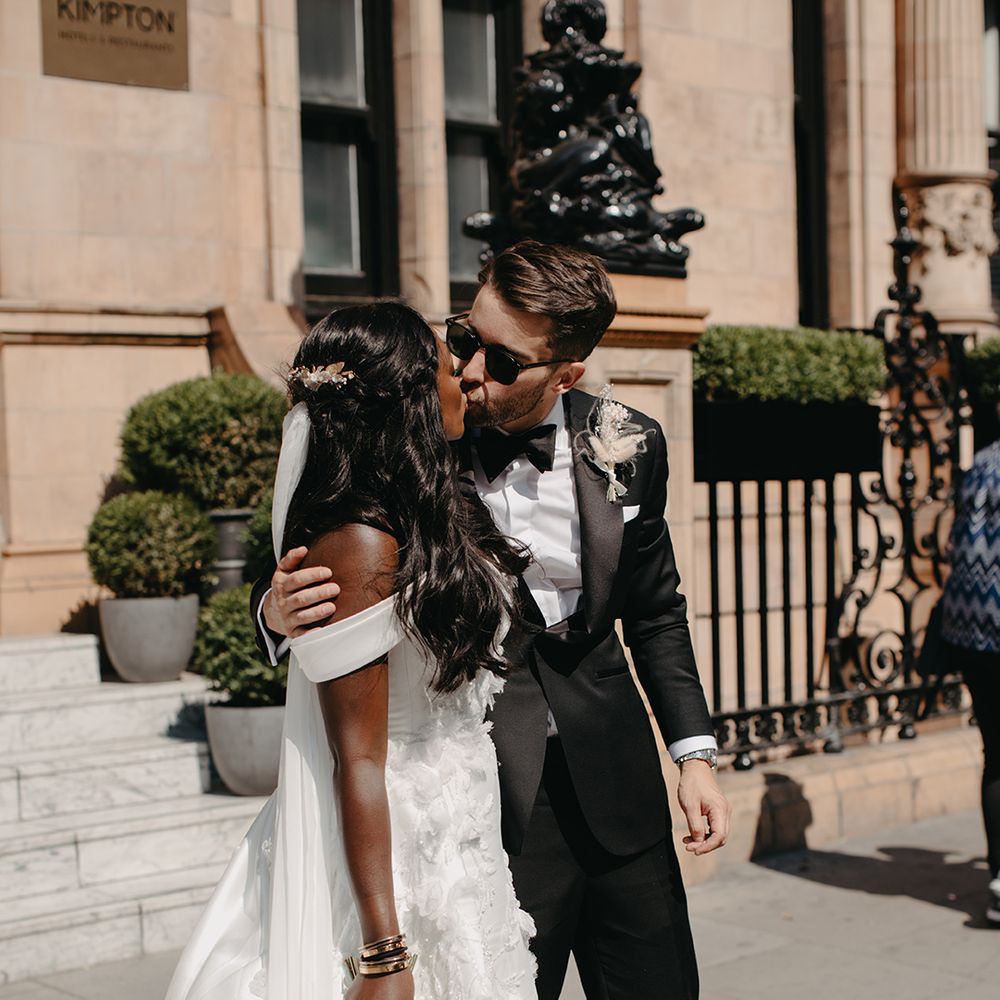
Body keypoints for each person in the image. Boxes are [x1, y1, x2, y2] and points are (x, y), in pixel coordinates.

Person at [255, 242, 731, 1000]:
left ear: (565, 374)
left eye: (504, 362)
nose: (472, 371)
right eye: (466, 338)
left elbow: (656, 612)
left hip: (619, 788)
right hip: (488, 802)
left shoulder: (631, 443)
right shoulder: (413, 439)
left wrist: (695, 755)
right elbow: (335, 558)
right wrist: (276, 613)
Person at [165, 302, 538, 1000]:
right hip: (395, 841)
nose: (461, 374)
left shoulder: (427, 498)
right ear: (409, 399)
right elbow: (358, 757)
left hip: (461, 823)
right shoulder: (362, 541)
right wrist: (384, 955)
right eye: (442, 365)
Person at [940, 435, 1000, 927]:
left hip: (970, 629)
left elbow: (950, 543)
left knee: (996, 753)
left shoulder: (980, 464)